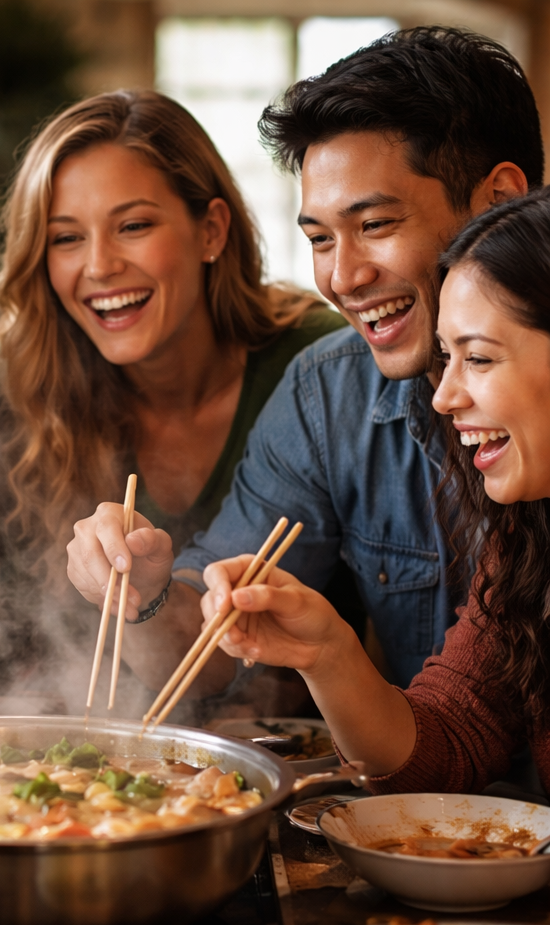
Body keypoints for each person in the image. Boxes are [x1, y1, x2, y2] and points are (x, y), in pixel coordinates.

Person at [66, 28, 542, 702]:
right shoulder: (330, 391)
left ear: (499, 200)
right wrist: (142, 595)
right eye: (319, 239)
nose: (342, 276)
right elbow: (213, 644)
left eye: (375, 225)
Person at [0, 90, 341, 706]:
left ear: (210, 230)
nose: (98, 265)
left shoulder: (319, 366)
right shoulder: (23, 381)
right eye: (65, 238)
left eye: (133, 226)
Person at [202, 185, 550, 794]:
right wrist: (327, 653)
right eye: (447, 358)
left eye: (482, 360)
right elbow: (450, 740)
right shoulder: (528, 543)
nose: (445, 398)